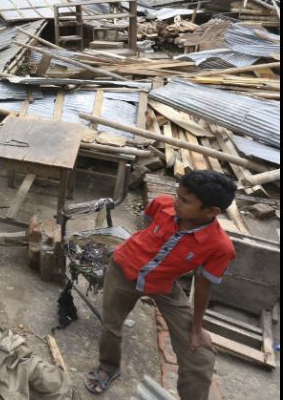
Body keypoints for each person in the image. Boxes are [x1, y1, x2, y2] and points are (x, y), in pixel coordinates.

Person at [85, 170, 237, 399]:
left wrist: (196, 328)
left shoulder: (220, 247)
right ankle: (108, 367)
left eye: (185, 201)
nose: (176, 202)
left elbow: (204, 285)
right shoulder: (163, 204)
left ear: (211, 211)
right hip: (123, 268)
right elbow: (146, 227)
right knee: (112, 324)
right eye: (177, 195)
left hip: (163, 284)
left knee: (201, 355)